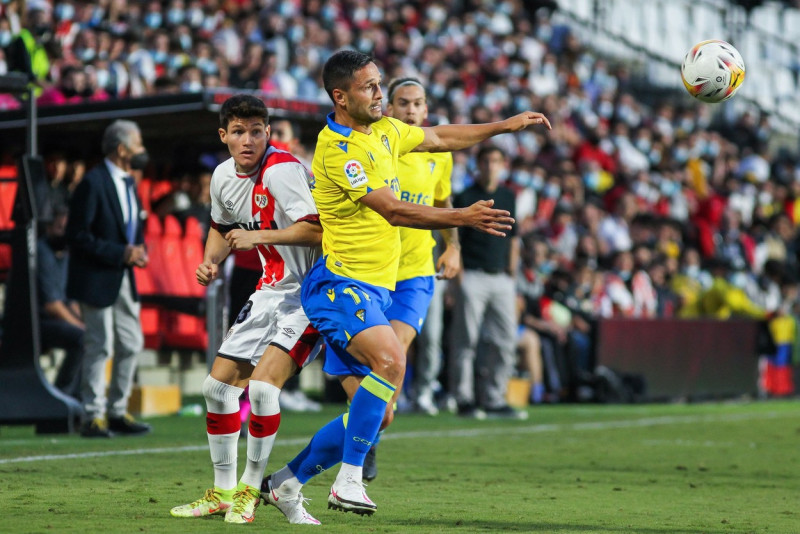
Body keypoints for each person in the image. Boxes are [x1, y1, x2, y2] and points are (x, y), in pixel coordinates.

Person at [260, 49, 550, 524]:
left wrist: (501, 126)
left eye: (380, 84)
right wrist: (462, 217)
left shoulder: (386, 132)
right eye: (370, 87)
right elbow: (393, 210)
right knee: (392, 361)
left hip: (375, 290)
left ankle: (286, 482)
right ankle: (349, 479)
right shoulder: (340, 148)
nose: (380, 94)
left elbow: (438, 137)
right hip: (339, 285)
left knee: (382, 406)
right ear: (341, 96)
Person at [169, 94, 323, 525]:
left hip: (310, 293)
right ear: (225, 136)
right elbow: (220, 226)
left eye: (257, 131)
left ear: (268, 133)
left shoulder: (284, 171)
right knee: (217, 390)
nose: (248, 139)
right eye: (239, 132)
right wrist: (210, 261)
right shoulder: (222, 176)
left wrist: (259, 238)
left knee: (261, 390)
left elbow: (316, 232)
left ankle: (250, 490)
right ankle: (221, 492)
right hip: (270, 289)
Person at [361, 76, 462, 482]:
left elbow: (442, 201)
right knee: (373, 363)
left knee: (395, 355)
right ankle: (366, 429)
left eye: (417, 103)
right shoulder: (379, 145)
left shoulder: (440, 155)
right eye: (402, 103)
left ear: (426, 109)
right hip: (372, 270)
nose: (410, 110)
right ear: (389, 109)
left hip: (416, 272)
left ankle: (369, 440)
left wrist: (452, 246)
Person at [66, 119, 151, 438]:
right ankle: (93, 416)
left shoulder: (128, 182)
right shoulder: (93, 182)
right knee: (100, 346)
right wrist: (121, 252)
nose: (142, 151)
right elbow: (77, 236)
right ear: (122, 149)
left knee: (131, 343)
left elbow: (131, 227)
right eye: (138, 144)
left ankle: (116, 411)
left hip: (123, 277)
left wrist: (138, 250)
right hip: (96, 277)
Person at [448, 145, 527, 420]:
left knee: (506, 340)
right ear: (478, 164)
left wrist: (512, 277)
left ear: (502, 164)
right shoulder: (466, 195)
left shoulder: (508, 196)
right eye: (486, 161)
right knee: (465, 340)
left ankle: (495, 398)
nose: (491, 166)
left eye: (496, 161)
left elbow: (514, 239)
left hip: (502, 277)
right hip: (473, 274)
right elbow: (455, 238)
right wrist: (458, 278)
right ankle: (464, 398)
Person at [38, 203, 83, 399]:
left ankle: (78, 396)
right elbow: (53, 305)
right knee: (82, 339)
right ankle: (61, 395)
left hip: (56, 318)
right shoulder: (42, 251)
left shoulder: (65, 254)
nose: (64, 233)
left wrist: (86, 323)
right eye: (59, 228)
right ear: (48, 228)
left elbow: (70, 301)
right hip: (38, 322)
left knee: (92, 338)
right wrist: (81, 327)